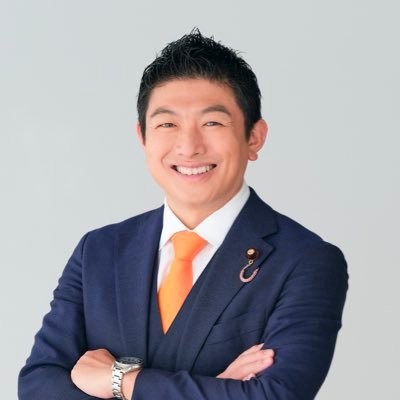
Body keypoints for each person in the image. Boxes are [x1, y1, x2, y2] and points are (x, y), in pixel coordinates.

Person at [18, 29, 348, 400]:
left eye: (212, 123)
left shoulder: (306, 260)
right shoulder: (99, 250)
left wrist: (120, 381)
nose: (189, 147)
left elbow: (274, 396)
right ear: (143, 137)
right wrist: (217, 388)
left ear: (254, 137)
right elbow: (37, 387)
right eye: (167, 124)